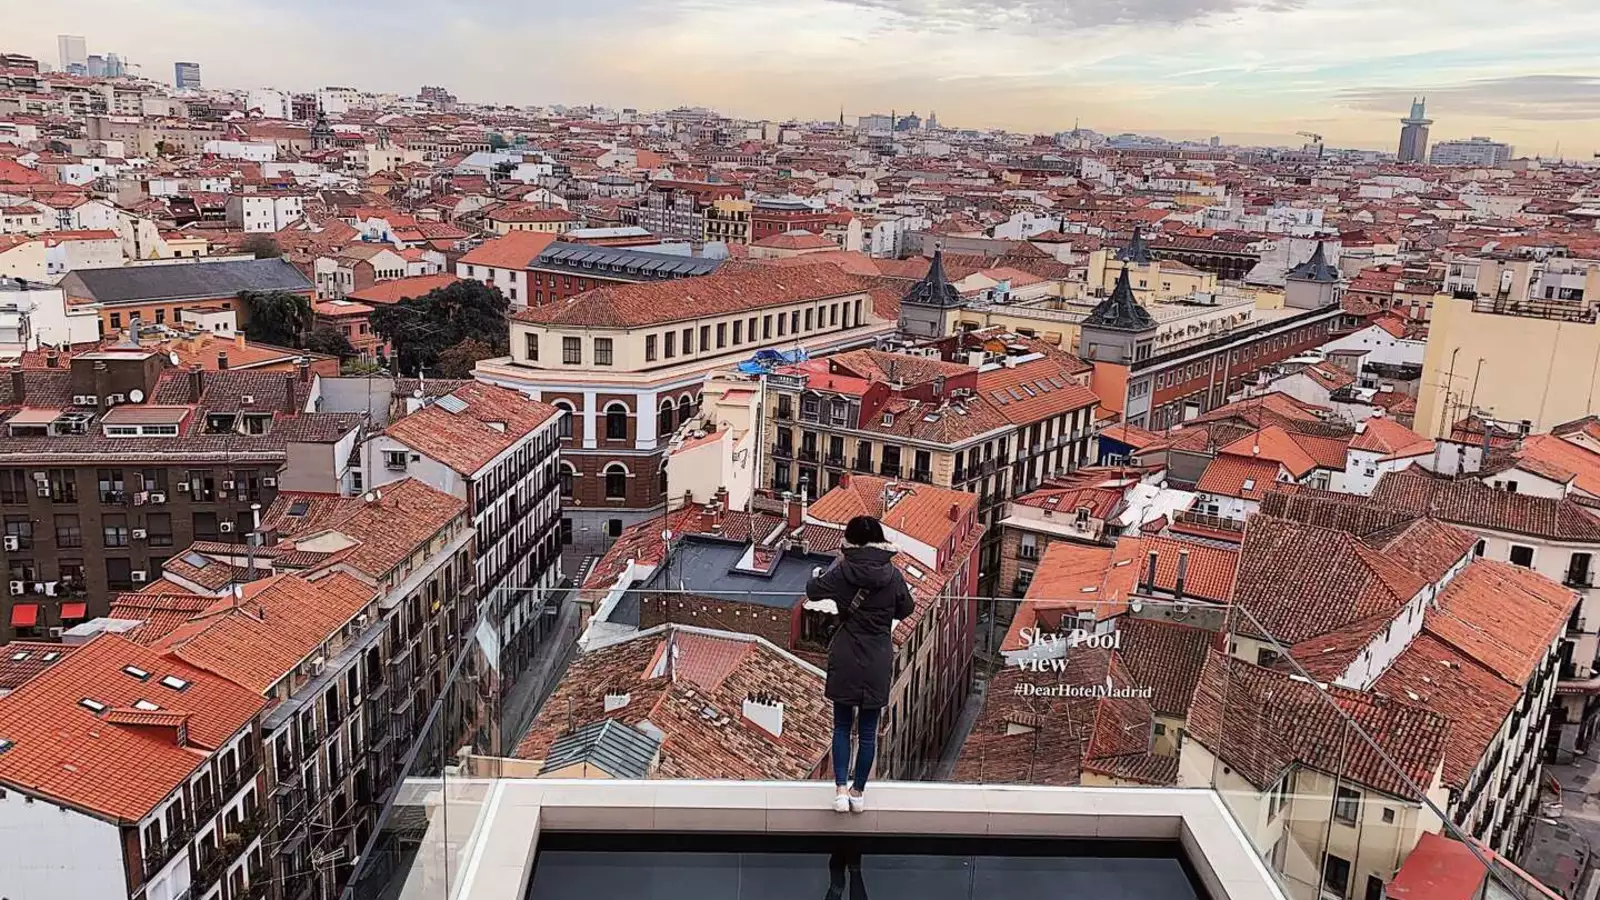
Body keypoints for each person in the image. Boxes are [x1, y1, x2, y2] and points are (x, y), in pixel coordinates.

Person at [805, 515, 913, 813]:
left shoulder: (843, 572)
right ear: (880, 541)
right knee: (867, 732)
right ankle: (858, 793)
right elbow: (907, 608)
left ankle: (840, 791)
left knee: (841, 726)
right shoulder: (892, 576)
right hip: (877, 654)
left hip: (846, 652)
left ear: (850, 542)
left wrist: (821, 573)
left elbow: (813, 591)